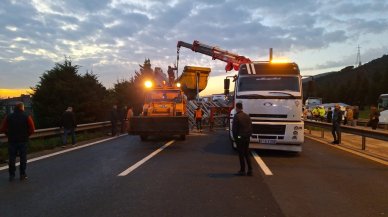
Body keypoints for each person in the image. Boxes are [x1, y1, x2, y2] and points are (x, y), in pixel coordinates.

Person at [0, 102, 35, 181]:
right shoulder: (27, 116)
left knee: (12, 158)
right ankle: (22, 174)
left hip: (12, 141)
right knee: (23, 158)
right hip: (23, 140)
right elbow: (32, 129)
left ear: (15, 108)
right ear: (22, 108)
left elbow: (2, 129)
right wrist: (27, 135)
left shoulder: (8, 117)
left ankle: (11, 175)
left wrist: (8, 135)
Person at [232, 102, 253, 176]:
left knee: (241, 154)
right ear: (242, 107)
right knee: (246, 153)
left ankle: (242, 170)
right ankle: (250, 170)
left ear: (237, 108)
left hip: (240, 137)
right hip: (247, 137)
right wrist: (249, 135)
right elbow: (251, 127)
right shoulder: (247, 116)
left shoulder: (236, 116)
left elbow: (234, 130)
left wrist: (235, 139)